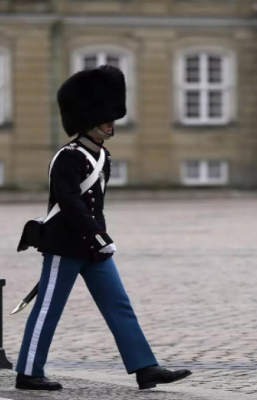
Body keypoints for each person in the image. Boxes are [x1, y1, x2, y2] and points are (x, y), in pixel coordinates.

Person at [14, 66, 191, 391]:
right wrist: (99, 236)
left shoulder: (102, 156)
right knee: (48, 309)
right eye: (105, 117)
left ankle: (145, 367)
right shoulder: (68, 157)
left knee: (118, 304)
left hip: (92, 246)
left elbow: (96, 205)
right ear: (87, 119)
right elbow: (70, 203)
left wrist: (99, 239)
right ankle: (28, 371)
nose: (111, 122)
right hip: (65, 244)